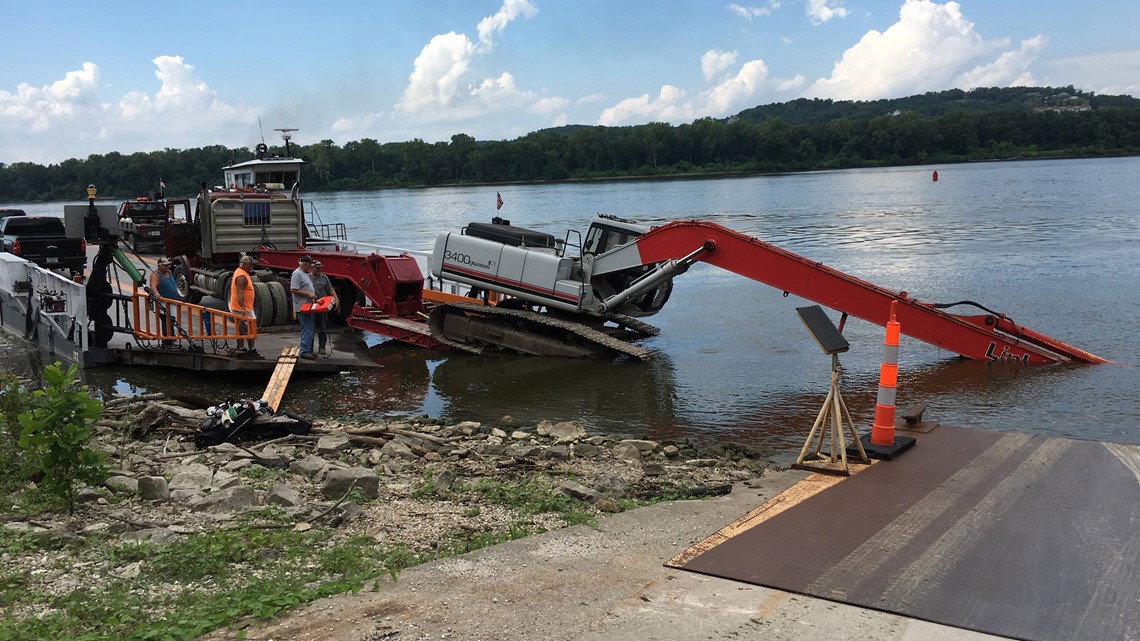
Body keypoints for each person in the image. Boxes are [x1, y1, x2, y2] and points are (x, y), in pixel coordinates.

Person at [229, 254, 259, 358]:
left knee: (244, 329)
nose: (252, 267)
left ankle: (244, 348)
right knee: (247, 329)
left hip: (245, 307)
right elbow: (240, 293)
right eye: (251, 265)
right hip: (242, 308)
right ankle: (249, 350)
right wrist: (243, 309)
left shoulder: (242, 273)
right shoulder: (241, 276)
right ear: (245, 264)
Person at [290, 255, 317, 359]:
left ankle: (309, 349)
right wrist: (308, 294)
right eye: (309, 265)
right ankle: (305, 351)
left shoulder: (304, 273)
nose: (310, 267)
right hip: (303, 306)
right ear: (305, 264)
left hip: (309, 305)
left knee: (310, 327)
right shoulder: (297, 274)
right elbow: (293, 289)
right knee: (307, 328)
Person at [310, 260, 339, 356]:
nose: (319, 270)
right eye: (317, 268)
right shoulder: (307, 278)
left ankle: (322, 347)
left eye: (320, 268)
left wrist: (336, 299)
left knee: (322, 327)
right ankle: (309, 348)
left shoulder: (324, 277)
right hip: (311, 306)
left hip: (322, 307)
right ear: (312, 268)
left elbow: (330, 289)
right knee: (310, 328)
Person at [149, 258, 180, 347]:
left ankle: (171, 339)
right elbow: (153, 286)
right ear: (159, 265)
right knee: (166, 320)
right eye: (165, 265)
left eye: (168, 265)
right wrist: (156, 294)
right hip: (164, 302)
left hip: (172, 301)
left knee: (172, 320)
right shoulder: (156, 275)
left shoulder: (169, 273)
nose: (168, 267)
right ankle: (168, 341)